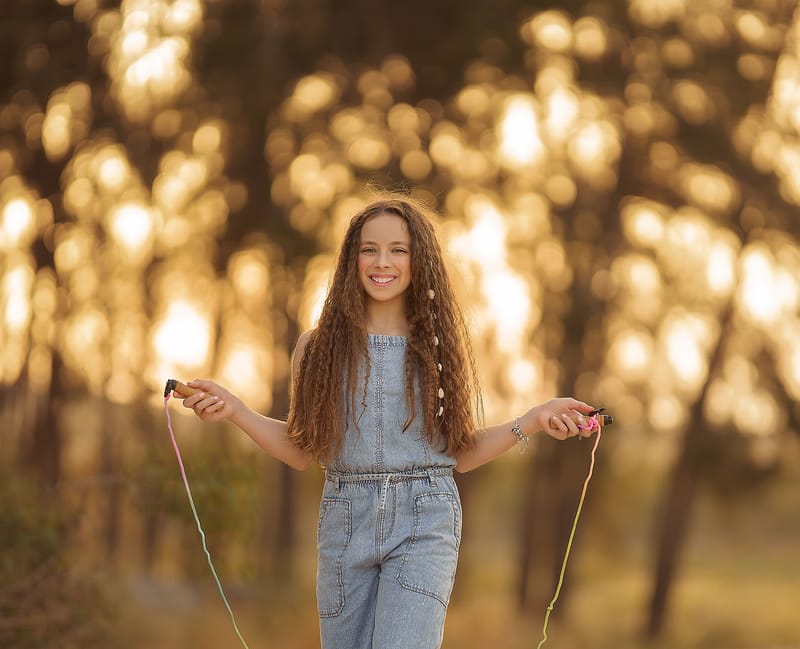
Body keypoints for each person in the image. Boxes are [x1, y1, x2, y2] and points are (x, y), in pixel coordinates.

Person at [175, 195, 597, 649]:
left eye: (399, 249)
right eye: (369, 249)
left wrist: (530, 421)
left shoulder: (438, 349)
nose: (382, 262)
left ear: (420, 261)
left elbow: (460, 454)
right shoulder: (316, 349)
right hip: (344, 518)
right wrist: (237, 410)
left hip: (425, 519)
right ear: (351, 260)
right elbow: (301, 451)